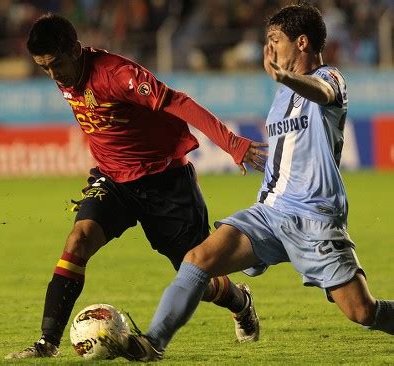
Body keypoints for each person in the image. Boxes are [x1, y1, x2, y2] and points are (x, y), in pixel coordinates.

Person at [103, 3, 394, 361]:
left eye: (275, 40)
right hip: (270, 213)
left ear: (302, 43)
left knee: (362, 312)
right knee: (197, 259)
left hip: (314, 218)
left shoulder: (331, 78)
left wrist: (284, 77)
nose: (269, 49)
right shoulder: (281, 94)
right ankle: (153, 343)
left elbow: (322, 93)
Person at [6, 13, 268, 359]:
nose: (53, 75)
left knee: (197, 274)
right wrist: (104, 161)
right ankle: (46, 343)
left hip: (166, 182)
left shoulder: (118, 75)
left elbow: (180, 102)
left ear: (74, 49)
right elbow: (101, 123)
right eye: (44, 69)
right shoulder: (65, 74)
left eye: (55, 64)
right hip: (114, 180)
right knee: (78, 239)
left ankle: (240, 301)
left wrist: (232, 143)